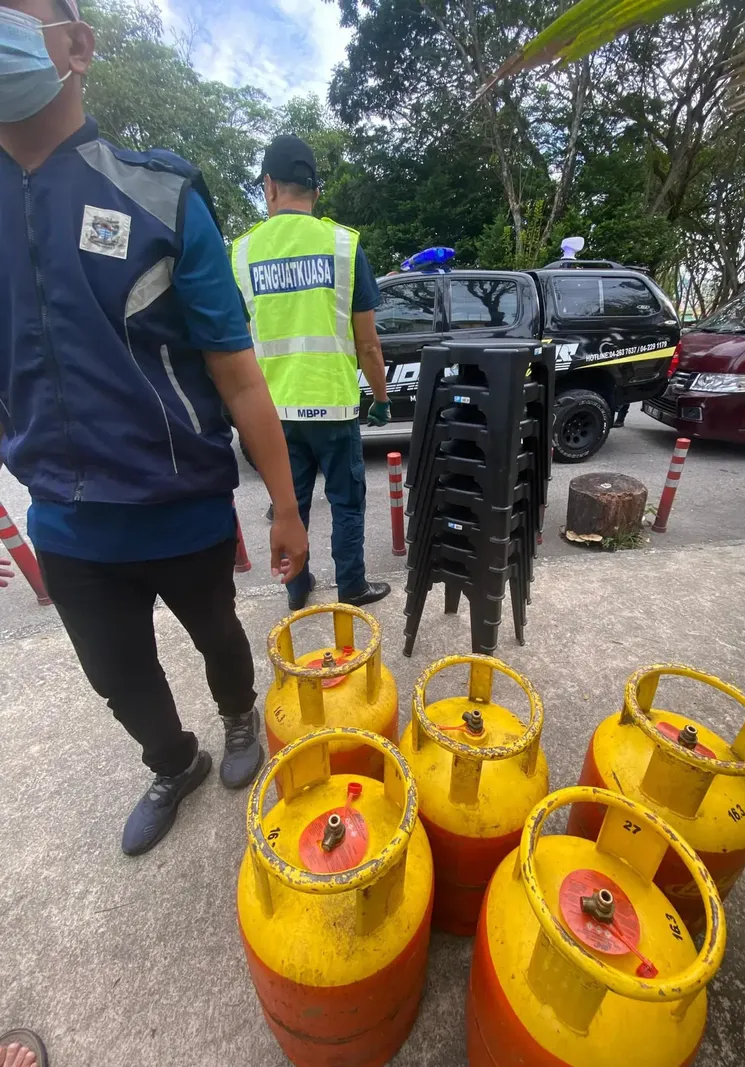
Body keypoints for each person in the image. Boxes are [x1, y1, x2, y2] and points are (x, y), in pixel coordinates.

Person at [0, 0, 308, 856]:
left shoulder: (160, 195)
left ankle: (241, 716)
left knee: (220, 637)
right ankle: (174, 761)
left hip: (182, 504)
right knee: (117, 674)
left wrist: (284, 506)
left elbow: (239, 374)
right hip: (67, 521)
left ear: (75, 45)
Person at [231, 135, 392, 611]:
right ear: (316, 191)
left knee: (290, 505)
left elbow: (233, 345)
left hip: (274, 413)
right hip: (334, 406)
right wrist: (381, 399)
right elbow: (367, 343)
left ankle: (297, 591)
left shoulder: (241, 254)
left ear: (269, 187)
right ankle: (352, 589)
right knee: (347, 504)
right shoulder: (343, 246)